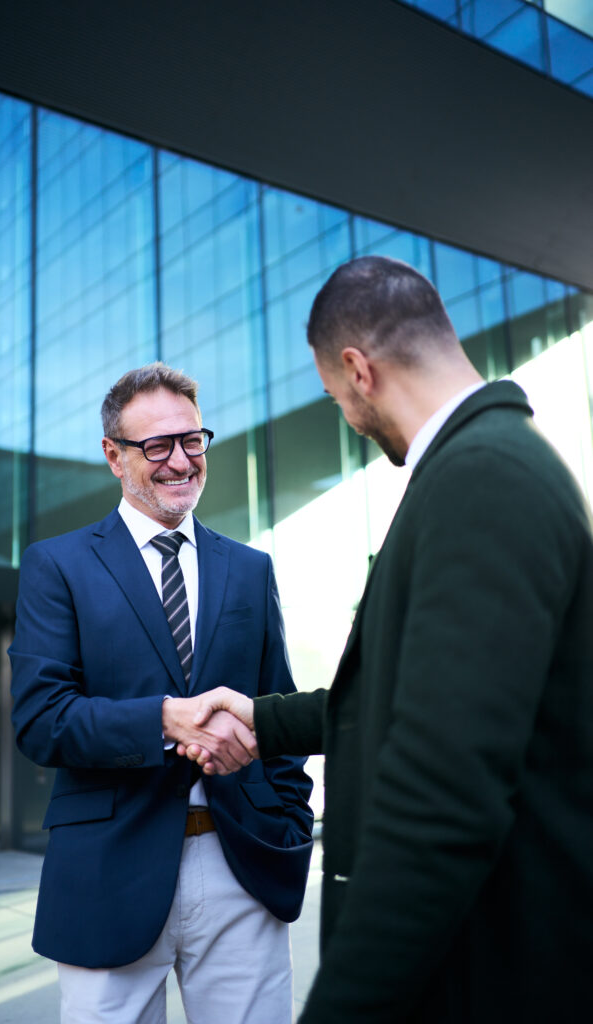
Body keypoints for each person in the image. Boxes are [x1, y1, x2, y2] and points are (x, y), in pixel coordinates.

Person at [183, 256, 593, 1023]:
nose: (345, 415)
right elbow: (405, 696)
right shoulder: (479, 467)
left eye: (335, 398)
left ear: (357, 370)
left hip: (487, 978)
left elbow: (443, 794)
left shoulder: (483, 481)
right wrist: (261, 717)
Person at [9, 362, 313, 1024]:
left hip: (245, 865)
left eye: (192, 441)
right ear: (113, 457)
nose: (180, 461)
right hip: (107, 874)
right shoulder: (56, 565)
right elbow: (41, 720)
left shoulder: (250, 568)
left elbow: (278, 712)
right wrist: (166, 721)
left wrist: (290, 826)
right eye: (156, 446)